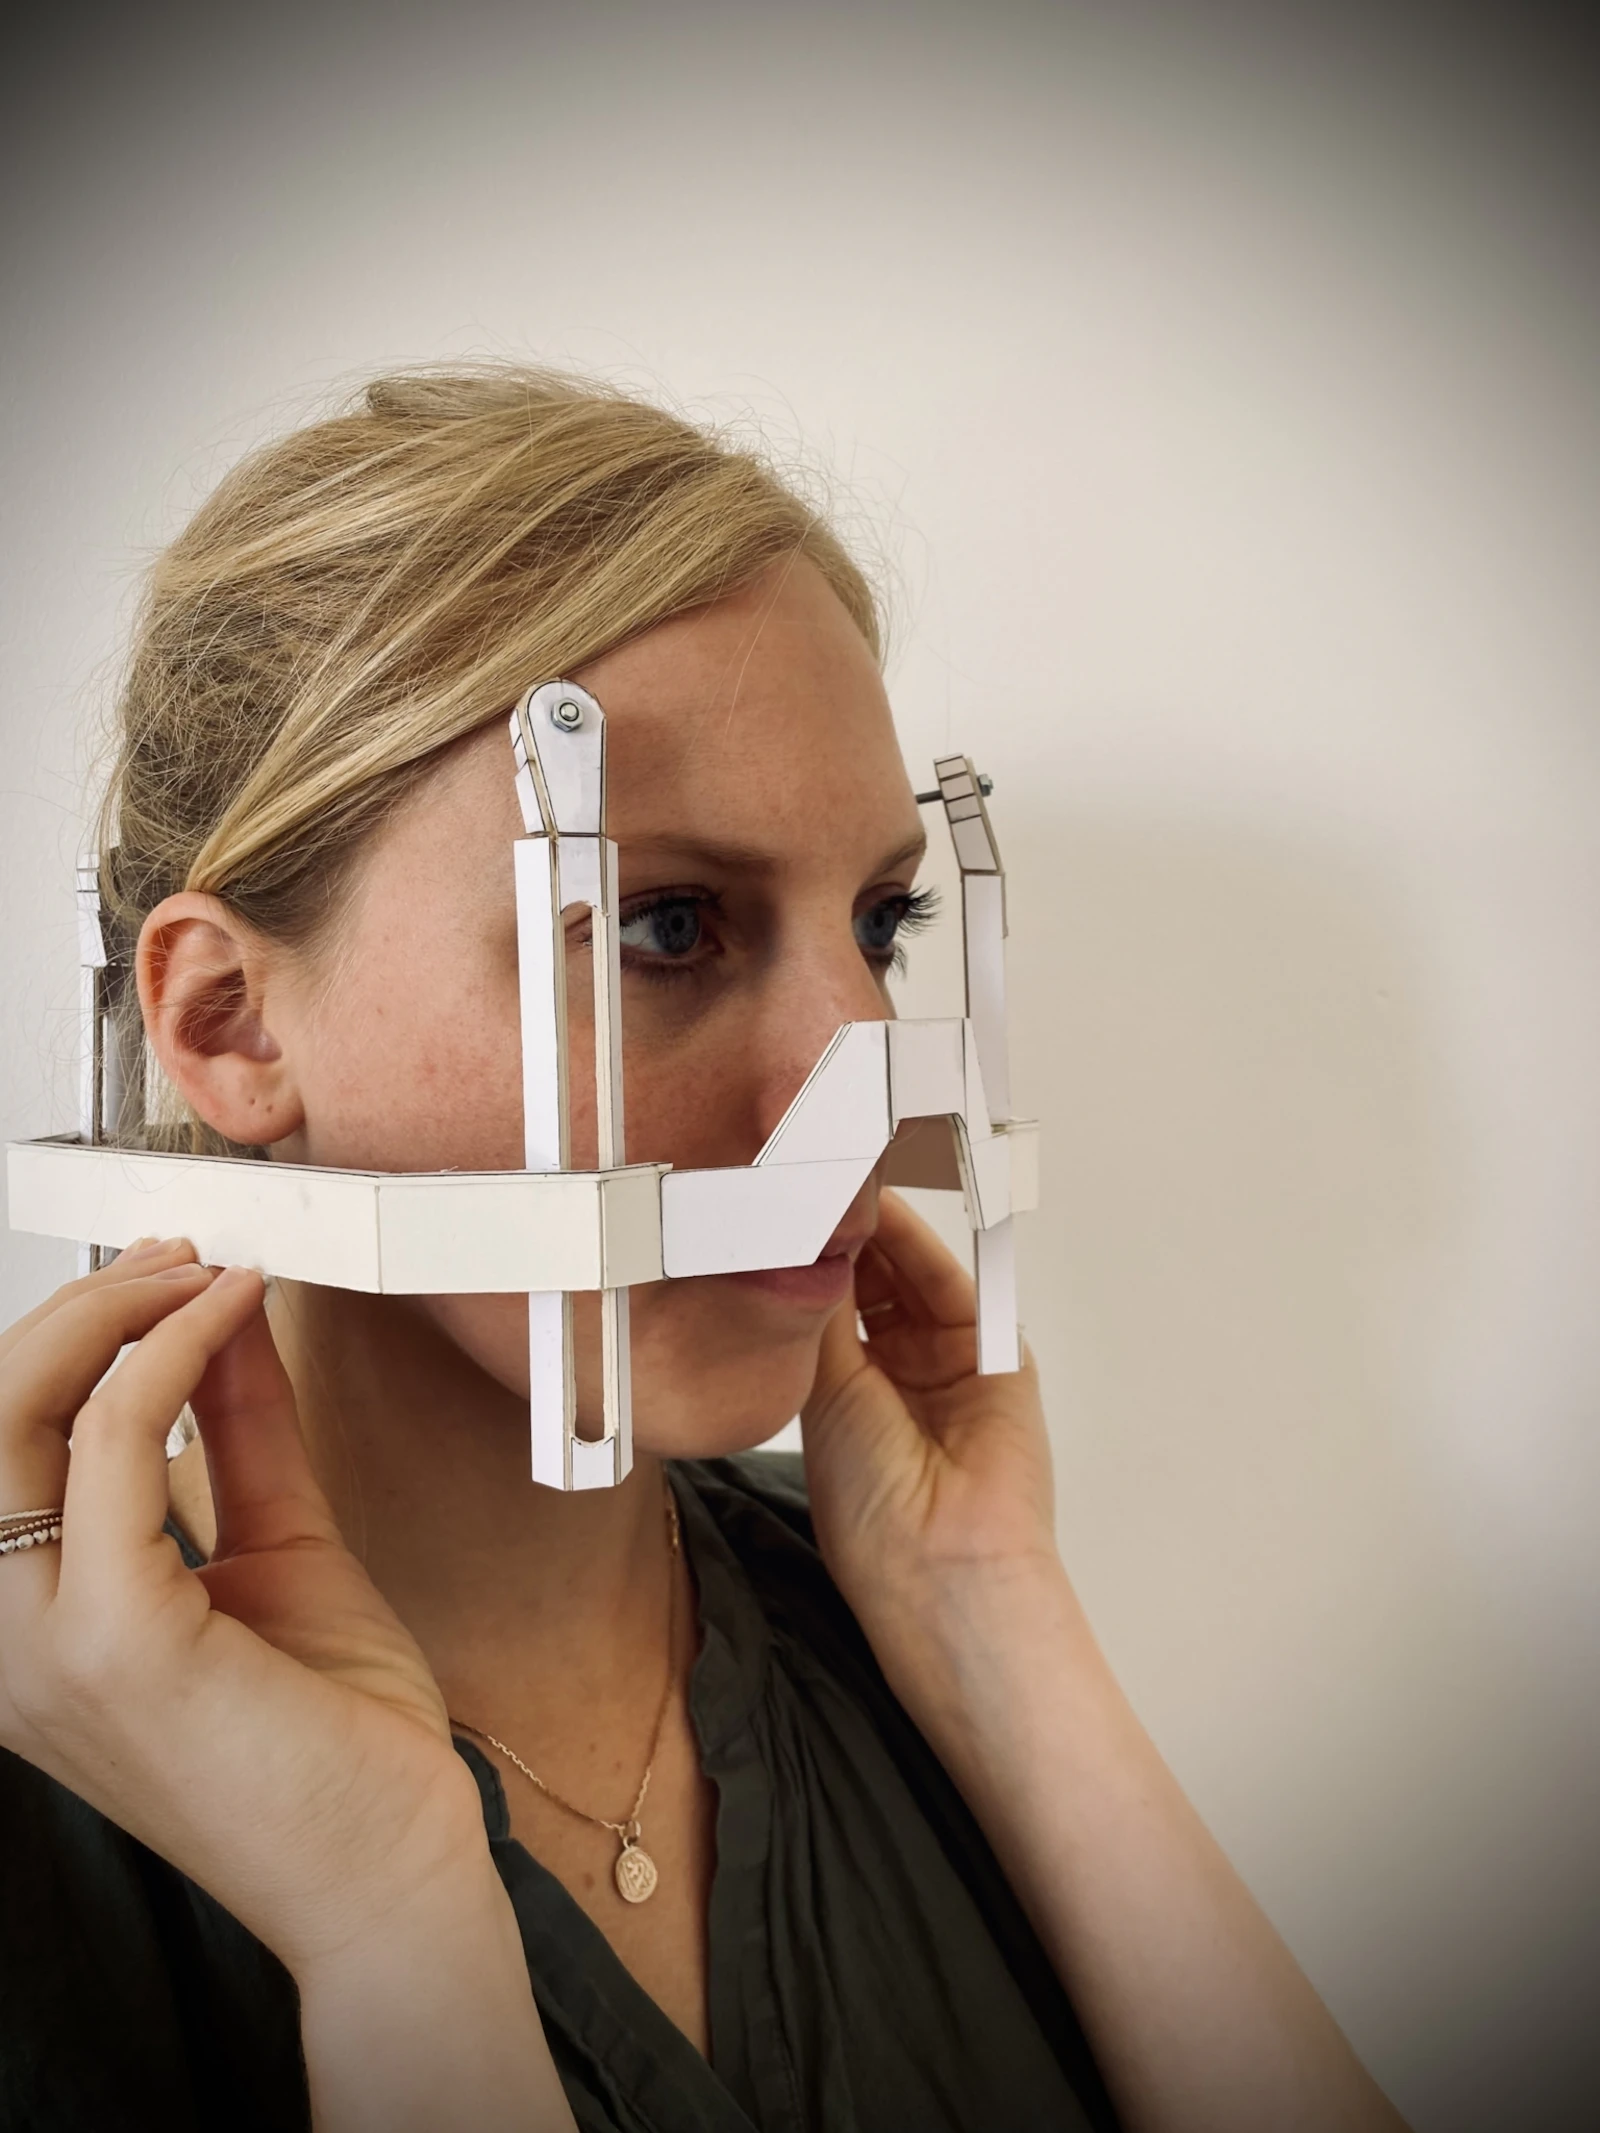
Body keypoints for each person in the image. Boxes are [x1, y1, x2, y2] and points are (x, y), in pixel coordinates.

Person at [0, 367, 1409, 2133]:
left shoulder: (890, 1610)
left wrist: (997, 1619)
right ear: (229, 1023)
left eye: (881, 924)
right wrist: (387, 1934)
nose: (858, 1071)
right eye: (668, 924)